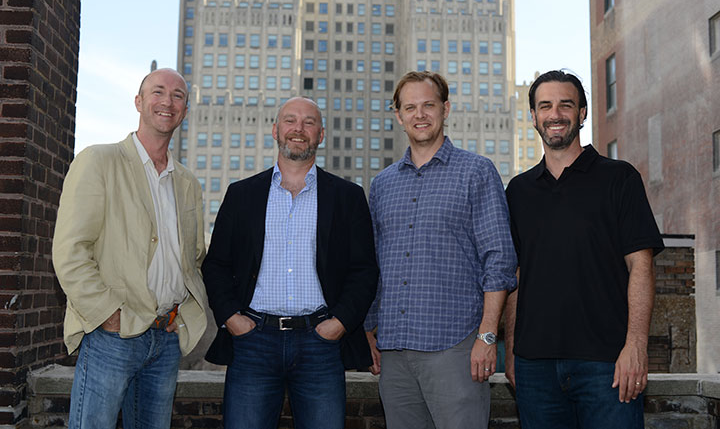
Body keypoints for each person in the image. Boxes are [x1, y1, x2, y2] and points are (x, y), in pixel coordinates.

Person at [202, 97, 379, 429]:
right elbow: (216, 265)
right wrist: (232, 319)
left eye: (309, 122)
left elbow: (364, 271)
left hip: (320, 343)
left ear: (320, 134)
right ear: (275, 130)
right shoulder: (242, 194)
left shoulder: (347, 196)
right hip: (253, 341)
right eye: (290, 120)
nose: (299, 129)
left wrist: (339, 323)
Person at [504, 70, 664, 429]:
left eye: (566, 105)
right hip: (534, 367)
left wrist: (636, 345)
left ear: (582, 113)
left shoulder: (619, 178)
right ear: (533, 116)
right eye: (545, 106)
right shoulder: (518, 191)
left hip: (607, 364)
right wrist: (512, 350)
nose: (555, 114)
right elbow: (515, 276)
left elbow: (641, 266)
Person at [52, 68, 208, 428]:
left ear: (185, 111)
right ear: (139, 102)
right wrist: (107, 314)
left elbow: (193, 258)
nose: (167, 101)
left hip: (165, 337)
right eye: (158, 92)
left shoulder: (187, 183)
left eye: (178, 96)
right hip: (112, 336)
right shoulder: (99, 161)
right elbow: (70, 251)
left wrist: (180, 314)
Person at [364, 71, 518, 428]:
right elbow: (376, 263)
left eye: (428, 105)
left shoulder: (476, 172)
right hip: (394, 351)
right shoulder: (383, 185)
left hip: (455, 347)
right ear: (398, 115)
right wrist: (368, 331)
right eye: (410, 107)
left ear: (445, 109)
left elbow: (499, 260)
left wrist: (487, 336)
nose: (420, 115)